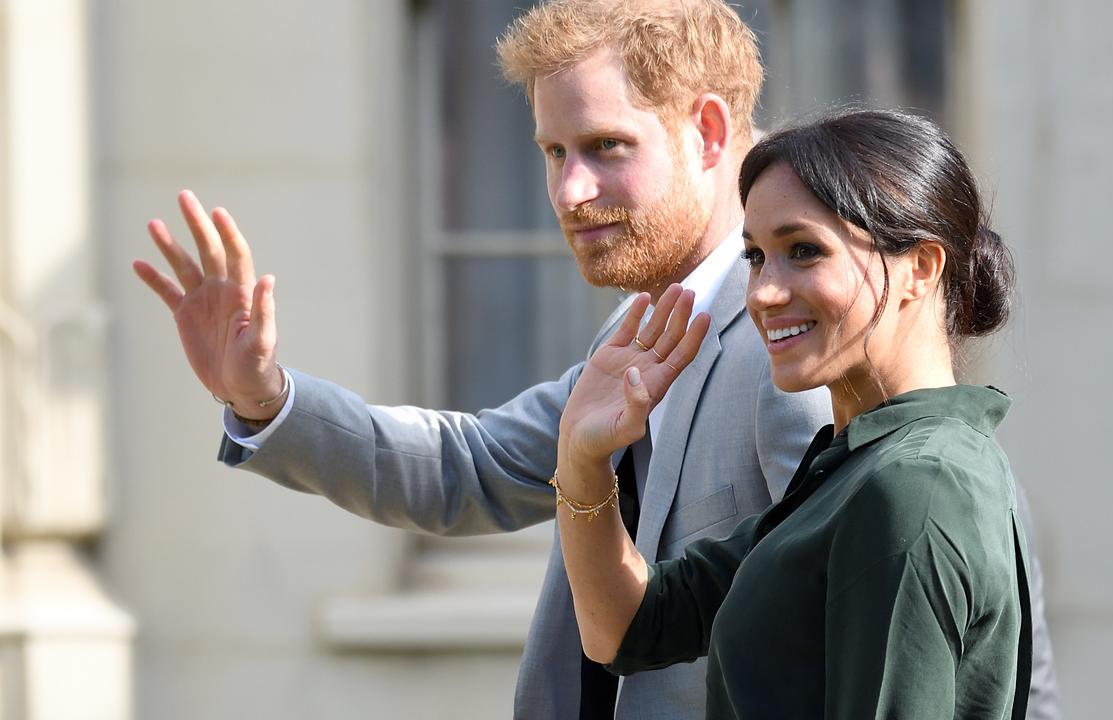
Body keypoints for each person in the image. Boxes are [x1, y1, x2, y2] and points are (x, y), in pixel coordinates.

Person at [131, 1, 1059, 717]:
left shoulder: (808, 366)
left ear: (705, 132)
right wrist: (263, 398)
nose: (571, 190)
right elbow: (480, 477)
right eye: (550, 151)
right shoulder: (646, 338)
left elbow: (985, 650)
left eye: (606, 147)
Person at [552, 109, 1036, 718]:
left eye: (803, 251)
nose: (763, 293)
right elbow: (624, 627)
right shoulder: (856, 469)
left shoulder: (915, 486)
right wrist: (582, 455)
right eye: (755, 257)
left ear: (920, 267)